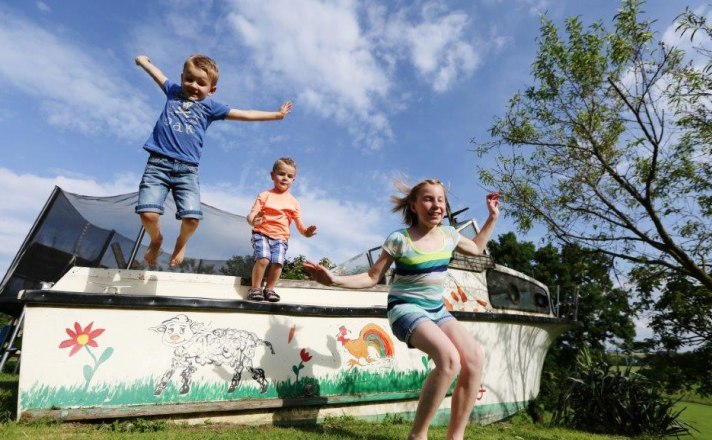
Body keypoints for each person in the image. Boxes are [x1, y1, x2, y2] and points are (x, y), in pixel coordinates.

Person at [302, 179, 499, 440]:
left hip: (437, 310)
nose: (436, 205)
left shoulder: (449, 235)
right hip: (405, 309)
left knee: (474, 358)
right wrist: (334, 280)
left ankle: (455, 437)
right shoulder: (400, 240)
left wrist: (492, 217)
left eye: (440, 200)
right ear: (414, 206)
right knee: (449, 360)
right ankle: (417, 435)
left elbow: (476, 248)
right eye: (428, 199)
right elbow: (372, 277)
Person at [134, 54, 293, 267]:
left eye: (201, 83)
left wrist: (276, 115)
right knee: (148, 214)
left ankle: (181, 242)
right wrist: (144, 62)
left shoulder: (210, 107)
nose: (194, 85)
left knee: (192, 219)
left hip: (186, 171)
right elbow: (158, 75)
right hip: (158, 165)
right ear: (182, 78)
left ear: (212, 89)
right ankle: (156, 240)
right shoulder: (173, 91)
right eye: (189, 79)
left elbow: (246, 114)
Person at [246, 157, 317, 302]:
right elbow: (252, 214)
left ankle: (270, 289)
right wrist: (253, 220)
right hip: (262, 233)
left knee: (278, 263)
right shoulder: (264, 195)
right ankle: (255, 288)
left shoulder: (294, 202)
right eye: (281, 174)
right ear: (272, 175)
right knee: (264, 259)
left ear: (293, 180)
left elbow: (300, 226)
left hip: (280, 238)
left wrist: (306, 233)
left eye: (289, 176)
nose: (285, 178)